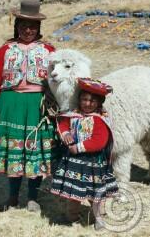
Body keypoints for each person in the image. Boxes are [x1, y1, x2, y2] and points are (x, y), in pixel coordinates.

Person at [0, 0, 57, 213]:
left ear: (38, 27)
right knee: (12, 152)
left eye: (32, 26)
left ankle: (33, 197)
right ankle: (13, 195)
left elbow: (58, 80)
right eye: (24, 25)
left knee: (33, 151)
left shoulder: (49, 51)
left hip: (38, 106)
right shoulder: (5, 50)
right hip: (10, 105)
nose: (28, 30)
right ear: (17, 26)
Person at [50, 78, 119, 230]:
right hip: (73, 162)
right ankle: (72, 217)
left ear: (99, 102)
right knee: (73, 192)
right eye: (84, 99)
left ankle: (99, 218)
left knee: (95, 194)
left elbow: (99, 141)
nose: (87, 104)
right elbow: (63, 124)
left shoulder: (100, 120)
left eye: (92, 101)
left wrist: (79, 147)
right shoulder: (74, 115)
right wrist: (66, 134)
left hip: (92, 163)